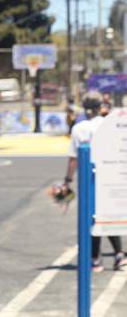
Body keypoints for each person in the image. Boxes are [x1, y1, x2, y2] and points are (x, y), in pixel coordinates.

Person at [61, 91, 127, 272]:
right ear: (101, 107)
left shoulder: (79, 128)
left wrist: (67, 181)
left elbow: (74, 159)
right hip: (109, 175)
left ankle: (95, 259)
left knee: (92, 218)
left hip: (88, 179)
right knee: (108, 213)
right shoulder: (108, 125)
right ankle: (119, 255)